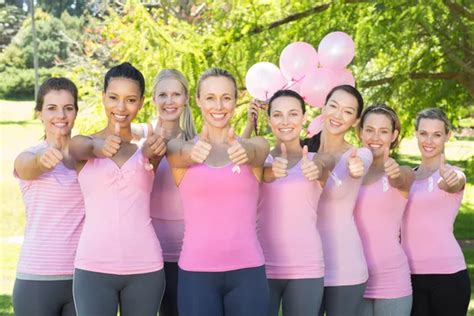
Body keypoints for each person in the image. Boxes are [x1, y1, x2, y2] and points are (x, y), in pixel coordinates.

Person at [167, 67, 270, 316]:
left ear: (235, 101)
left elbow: (259, 149)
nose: (219, 105)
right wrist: (192, 154)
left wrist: (245, 150)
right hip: (196, 274)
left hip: (248, 272)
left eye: (226, 97)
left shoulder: (253, 146)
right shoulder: (179, 148)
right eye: (211, 97)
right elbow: (177, 154)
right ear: (199, 101)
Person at [70, 62, 166, 316]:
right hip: (93, 267)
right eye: (113, 98)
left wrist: (149, 153)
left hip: (145, 266)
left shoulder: (147, 148)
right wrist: (99, 148)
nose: (121, 108)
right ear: (103, 98)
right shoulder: (84, 143)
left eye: (130, 99)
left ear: (141, 103)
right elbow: (80, 149)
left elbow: (158, 153)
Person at [257, 89, 334, 316]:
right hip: (261, 266)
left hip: (306, 267)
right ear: (269, 119)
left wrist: (316, 169)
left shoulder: (315, 160)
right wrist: (267, 171)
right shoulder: (258, 160)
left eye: (293, 114)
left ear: (303, 117)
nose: (285, 121)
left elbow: (323, 168)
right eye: (278, 114)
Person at [12, 77, 85, 316]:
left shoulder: (88, 159)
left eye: (68, 107)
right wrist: (41, 161)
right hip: (37, 279)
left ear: (75, 112)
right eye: (51, 108)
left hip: (85, 278)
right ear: (39, 114)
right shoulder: (31, 155)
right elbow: (25, 167)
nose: (60, 115)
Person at [132, 69, 197, 316]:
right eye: (163, 95)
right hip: (149, 251)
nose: (170, 101)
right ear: (153, 100)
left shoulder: (197, 144)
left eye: (176, 94)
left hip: (189, 251)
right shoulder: (140, 143)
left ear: (186, 99)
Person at [304, 85, 372, 316]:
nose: (337, 115)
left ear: (355, 120)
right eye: (333, 106)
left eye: (347, 111)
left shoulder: (359, 155)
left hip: (345, 268)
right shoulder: (302, 151)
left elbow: (359, 167)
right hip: (304, 265)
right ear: (323, 107)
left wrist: (356, 168)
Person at [402, 108, 471, 316]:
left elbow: (453, 183)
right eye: (423, 133)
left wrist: (449, 179)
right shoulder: (407, 178)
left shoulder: (453, 175)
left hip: (448, 277)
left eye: (437, 134)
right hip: (408, 276)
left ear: (447, 136)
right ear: (415, 133)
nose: (429, 140)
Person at [355, 104, 414, 316]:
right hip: (354, 279)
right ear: (360, 131)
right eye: (369, 129)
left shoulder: (403, 172)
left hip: (392, 280)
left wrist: (394, 174)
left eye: (383, 131)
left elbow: (402, 179)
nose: (375, 137)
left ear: (394, 135)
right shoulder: (349, 170)